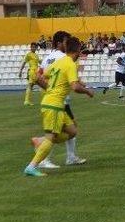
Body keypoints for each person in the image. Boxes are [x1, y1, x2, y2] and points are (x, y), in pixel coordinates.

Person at [24, 37, 94, 177]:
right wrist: (87, 92)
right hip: (54, 105)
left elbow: (39, 76)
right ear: (78, 50)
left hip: (55, 104)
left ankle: (40, 141)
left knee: (72, 131)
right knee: (51, 137)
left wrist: (50, 88)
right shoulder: (70, 64)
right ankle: (31, 167)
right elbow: (74, 87)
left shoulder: (60, 62)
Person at [35, 30, 86, 168]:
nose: (68, 44)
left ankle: (70, 156)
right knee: (60, 130)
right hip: (58, 100)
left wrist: (48, 89)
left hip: (50, 98)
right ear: (59, 43)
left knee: (68, 127)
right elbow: (69, 78)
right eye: (65, 41)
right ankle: (45, 156)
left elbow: (37, 76)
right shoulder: (64, 58)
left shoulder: (47, 58)